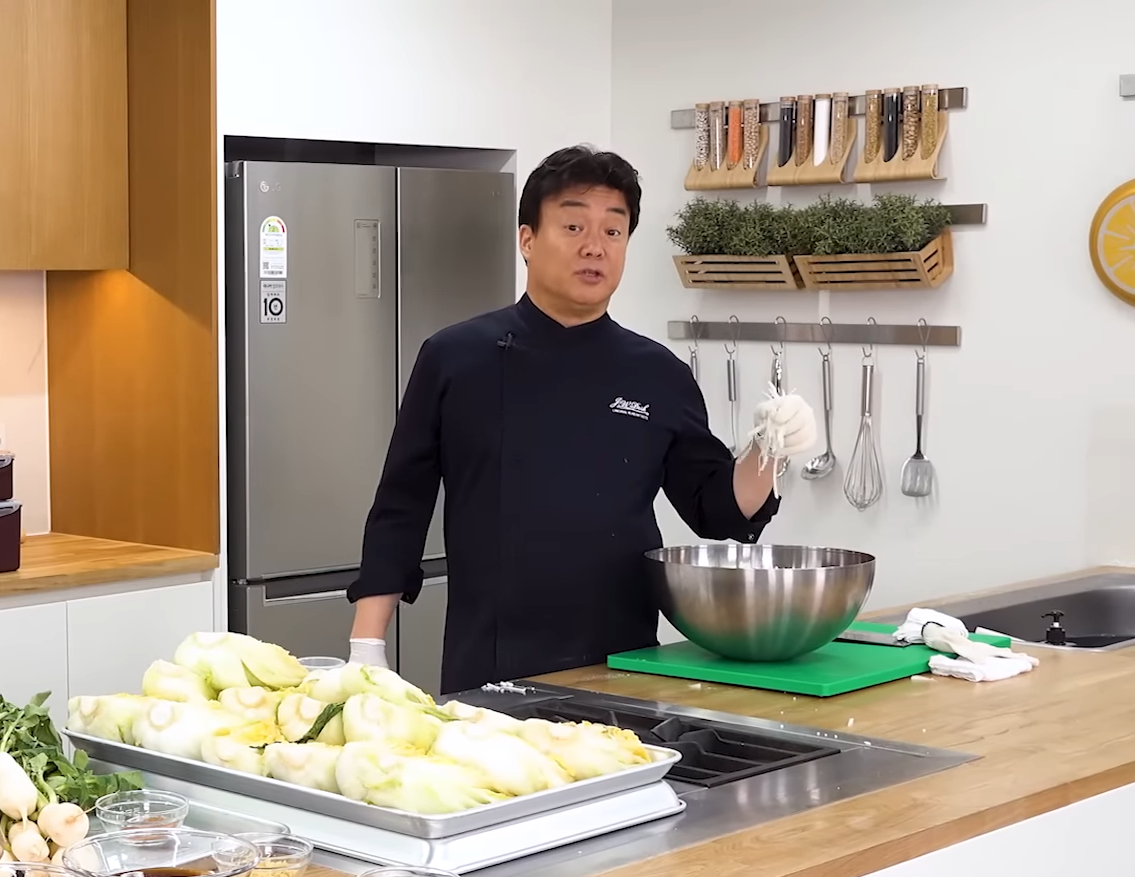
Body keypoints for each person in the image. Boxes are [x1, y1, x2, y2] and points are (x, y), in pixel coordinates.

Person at [344, 145, 818, 694]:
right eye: (573, 226)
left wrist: (768, 448)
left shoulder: (658, 373)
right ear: (527, 240)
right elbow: (401, 506)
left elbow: (718, 511)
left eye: (613, 231)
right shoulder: (455, 358)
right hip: (489, 668)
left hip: (624, 665)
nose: (595, 246)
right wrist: (366, 646)